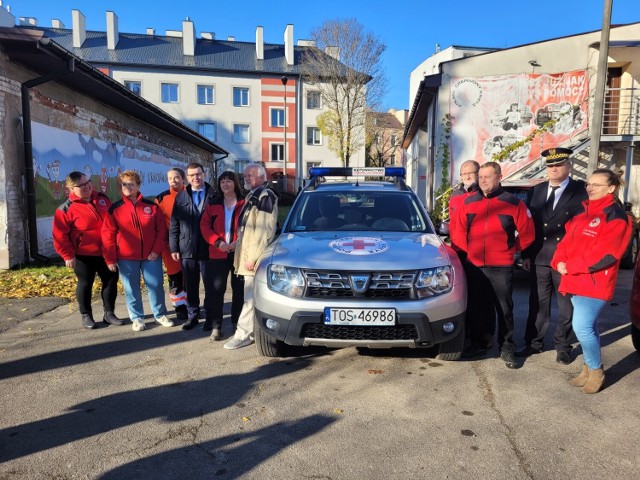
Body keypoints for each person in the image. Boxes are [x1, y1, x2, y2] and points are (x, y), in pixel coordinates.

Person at [551, 169, 632, 393]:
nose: (590, 188)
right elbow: (565, 243)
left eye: (597, 185)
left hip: (595, 282)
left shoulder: (615, 215)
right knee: (590, 327)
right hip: (575, 280)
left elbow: (606, 253)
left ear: (611, 188)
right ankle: (588, 368)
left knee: (582, 327)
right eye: (589, 184)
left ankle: (596, 371)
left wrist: (572, 267)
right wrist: (559, 261)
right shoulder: (583, 213)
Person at [451, 161, 535, 368]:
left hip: (501, 266)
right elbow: (458, 232)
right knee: (477, 308)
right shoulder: (468, 203)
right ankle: (480, 344)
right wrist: (470, 252)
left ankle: (506, 347)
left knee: (504, 309)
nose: (483, 180)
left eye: (488, 176)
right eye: (481, 177)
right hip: (475, 265)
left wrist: (510, 249)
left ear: (499, 177)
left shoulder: (514, 203)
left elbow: (527, 233)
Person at [518, 148, 588, 364]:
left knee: (566, 307)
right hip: (539, 257)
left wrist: (575, 259)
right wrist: (526, 255)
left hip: (565, 260)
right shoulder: (536, 191)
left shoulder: (580, 192)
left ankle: (563, 346)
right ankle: (534, 343)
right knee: (538, 304)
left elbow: (583, 228)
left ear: (569, 166)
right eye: (550, 166)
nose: (554, 169)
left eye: (558, 165)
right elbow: (530, 227)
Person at [102, 170, 173, 332]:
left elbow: (161, 231)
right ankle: (137, 318)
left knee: (155, 285)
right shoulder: (115, 209)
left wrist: (156, 251)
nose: (128, 187)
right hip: (126, 258)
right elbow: (108, 235)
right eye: (124, 184)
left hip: (151, 256)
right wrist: (110, 259)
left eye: (131, 184)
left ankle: (160, 314)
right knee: (131, 288)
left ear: (138, 186)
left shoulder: (152, 207)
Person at [52, 172, 123, 330]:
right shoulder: (65, 209)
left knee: (111, 281)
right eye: (81, 185)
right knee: (85, 284)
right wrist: (67, 255)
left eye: (88, 182)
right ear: (70, 188)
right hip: (83, 255)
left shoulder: (102, 199)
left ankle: (109, 313)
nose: (87, 186)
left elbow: (115, 220)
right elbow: (59, 235)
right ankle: (86, 315)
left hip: (107, 252)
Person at [224, 163, 278, 350]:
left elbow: (264, 231)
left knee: (249, 298)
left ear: (262, 177)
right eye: (245, 175)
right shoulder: (253, 195)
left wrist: (252, 258)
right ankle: (253, 332)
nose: (246, 178)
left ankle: (243, 334)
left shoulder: (265, 196)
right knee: (250, 297)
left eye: (251, 175)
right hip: (247, 256)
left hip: (253, 259)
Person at [169, 162, 216, 331]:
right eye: (192, 175)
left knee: (210, 285)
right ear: (186, 178)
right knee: (190, 284)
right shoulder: (181, 197)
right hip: (187, 248)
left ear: (204, 174)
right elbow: (174, 224)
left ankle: (210, 317)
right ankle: (193, 316)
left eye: (198, 174)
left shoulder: (214, 195)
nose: (196, 177)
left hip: (208, 249)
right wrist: (174, 247)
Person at [200, 171, 246, 341]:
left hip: (239, 253)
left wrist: (237, 242)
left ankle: (237, 323)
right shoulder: (213, 203)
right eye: (222, 181)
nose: (226, 184)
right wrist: (218, 243)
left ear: (235, 183)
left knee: (239, 291)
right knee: (216, 290)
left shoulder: (244, 202)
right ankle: (216, 326)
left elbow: (251, 225)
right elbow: (204, 226)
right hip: (218, 253)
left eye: (229, 181)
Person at [155, 168, 189, 320]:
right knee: (175, 276)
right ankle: (179, 306)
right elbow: (158, 224)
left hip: (190, 244)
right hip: (171, 245)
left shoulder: (192, 194)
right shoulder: (161, 198)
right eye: (170, 178)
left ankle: (191, 303)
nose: (173, 181)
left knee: (190, 275)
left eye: (176, 178)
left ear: (183, 179)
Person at [449, 160, 480, 254]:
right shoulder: (455, 195)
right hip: (458, 248)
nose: (467, 177)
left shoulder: (484, 194)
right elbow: (452, 220)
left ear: (478, 173)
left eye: (470, 173)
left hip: (479, 249)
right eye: (463, 174)